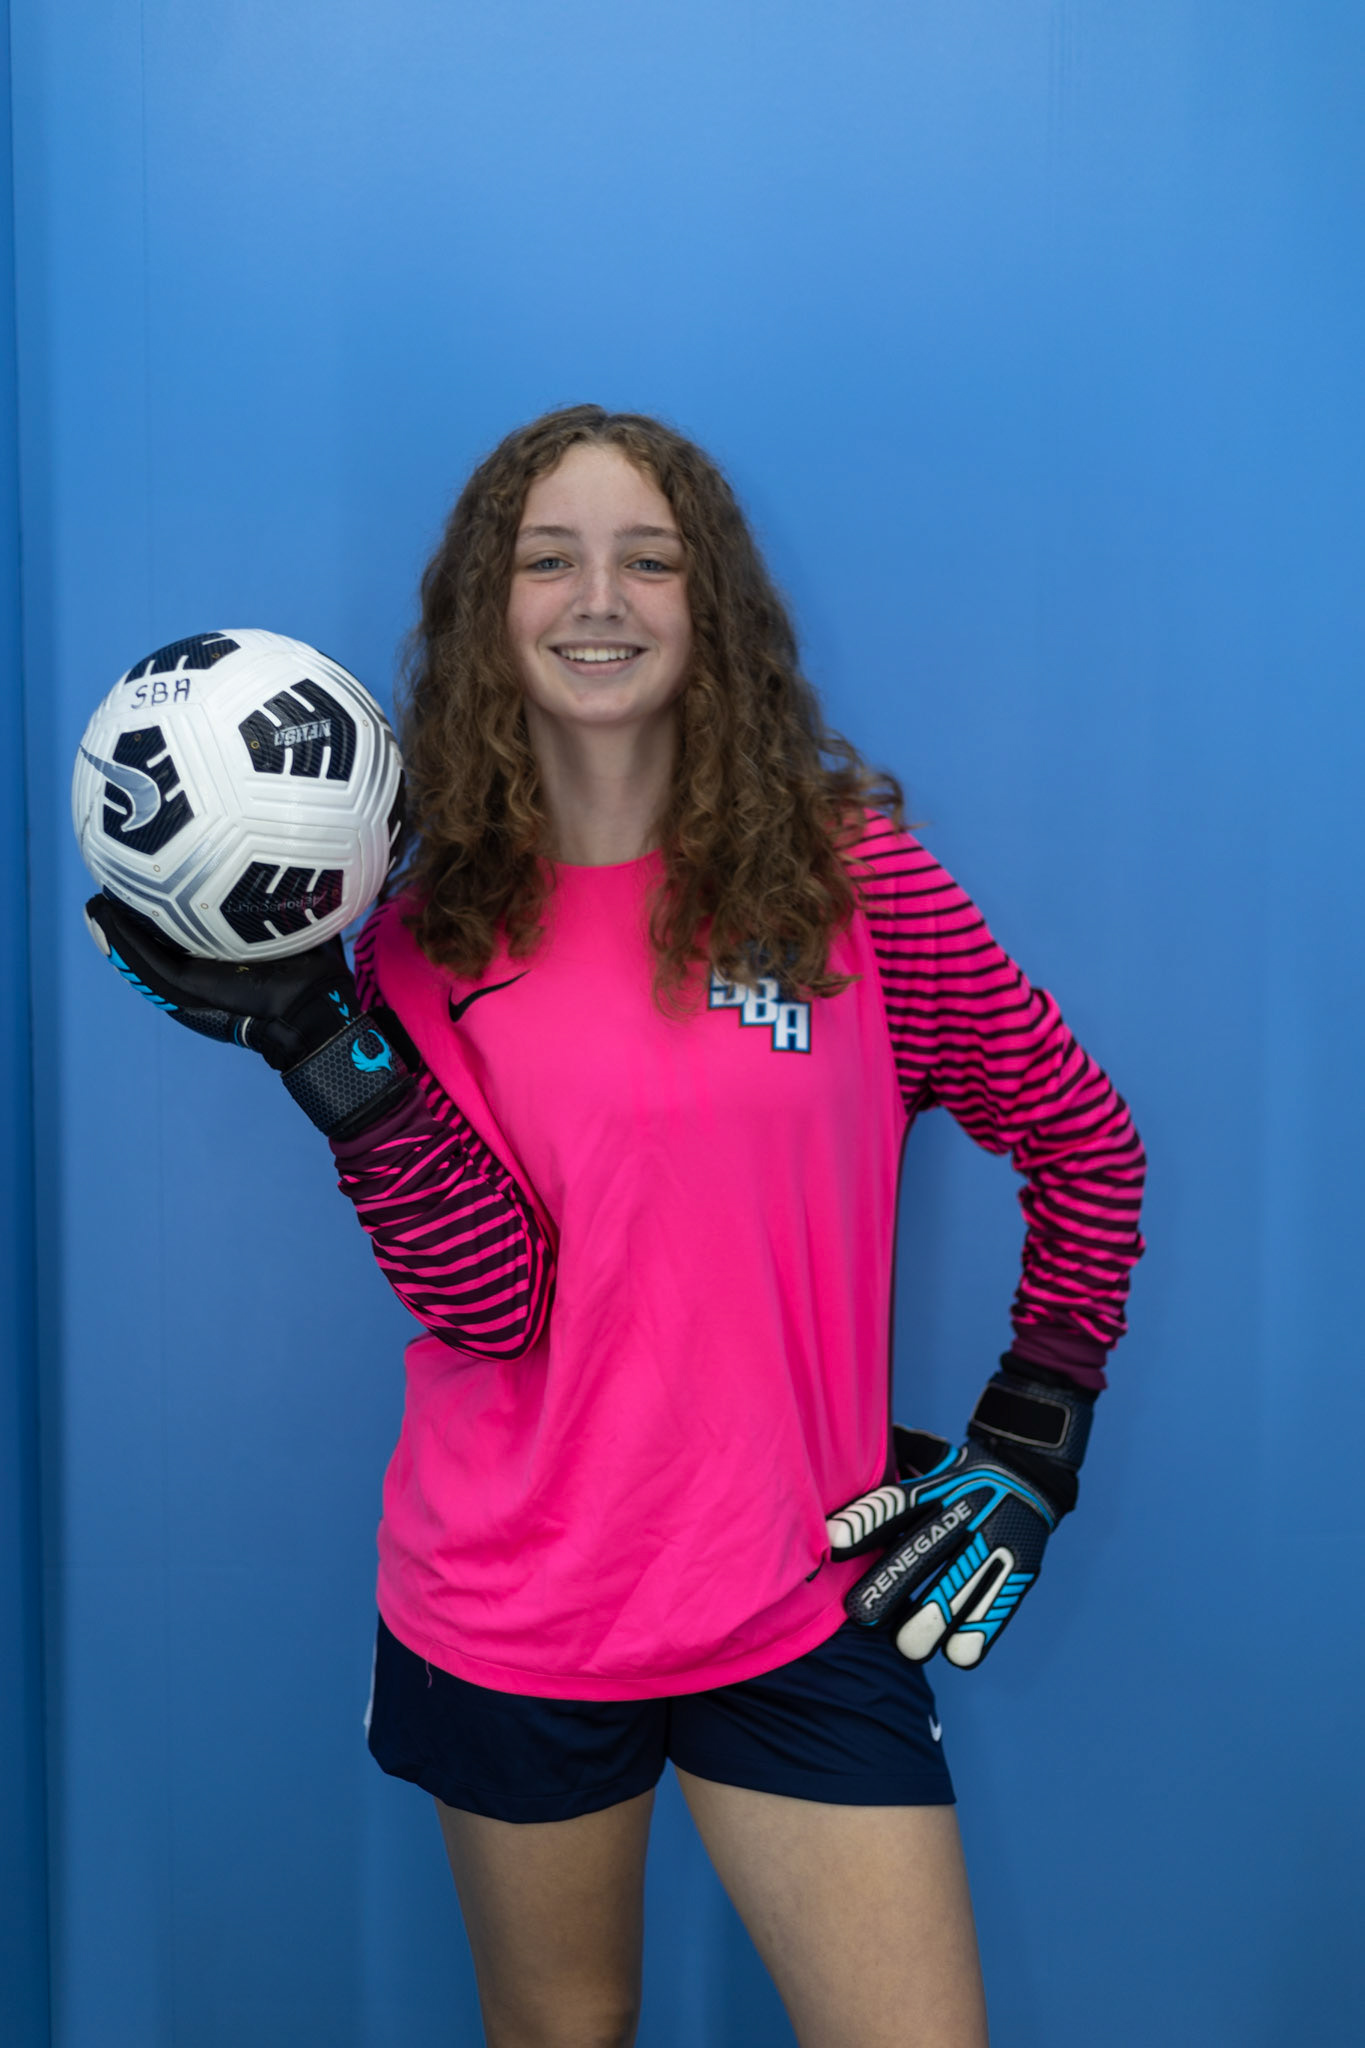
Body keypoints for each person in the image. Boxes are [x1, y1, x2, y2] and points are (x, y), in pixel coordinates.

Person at [86, 404, 1145, 2048]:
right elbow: (494, 1305)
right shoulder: (422, 939)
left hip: (798, 1597)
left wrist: (1036, 1424)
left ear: (706, 602)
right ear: (483, 614)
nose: (599, 598)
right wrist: (322, 1049)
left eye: (647, 560)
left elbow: (1084, 1141)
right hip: (512, 1611)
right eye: (548, 560)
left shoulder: (851, 886)